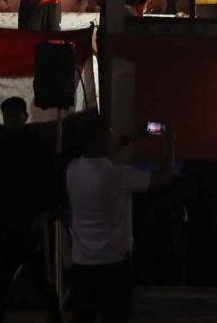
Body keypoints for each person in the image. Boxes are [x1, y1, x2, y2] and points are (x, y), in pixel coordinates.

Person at [66, 116, 176, 323]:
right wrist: (170, 142)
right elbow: (163, 178)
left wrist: (122, 143)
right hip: (113, 264)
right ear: (102, 140)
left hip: (81, 264)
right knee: (114, 316)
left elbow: (96, 161)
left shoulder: (72, 170)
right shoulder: (118, 176)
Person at [0, 96, 63, 323]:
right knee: (33, 278)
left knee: (18, 277)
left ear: (24, 117)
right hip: (17, 221)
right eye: (8, 117)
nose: (10, 121)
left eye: (12, 116)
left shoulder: (3, 146)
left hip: (19, 221)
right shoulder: (34, 145)